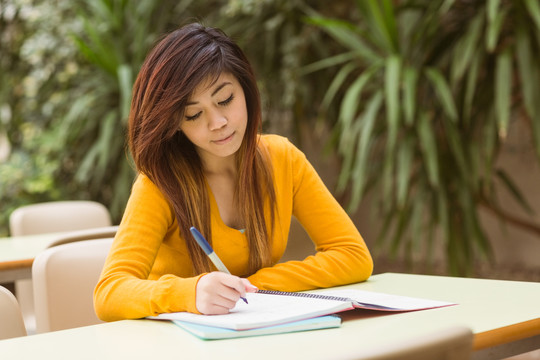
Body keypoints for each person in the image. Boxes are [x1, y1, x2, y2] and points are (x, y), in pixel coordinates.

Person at [94, 22, 373, 321]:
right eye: (193, 114)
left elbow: (353, 255)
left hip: (257, 331)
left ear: (246, 89)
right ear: (174, 122)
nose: (218, 122)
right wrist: (192, 293)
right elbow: (110, 293)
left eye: (225, 99)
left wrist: (253, 287)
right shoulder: (160, 183)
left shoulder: (283, 159)